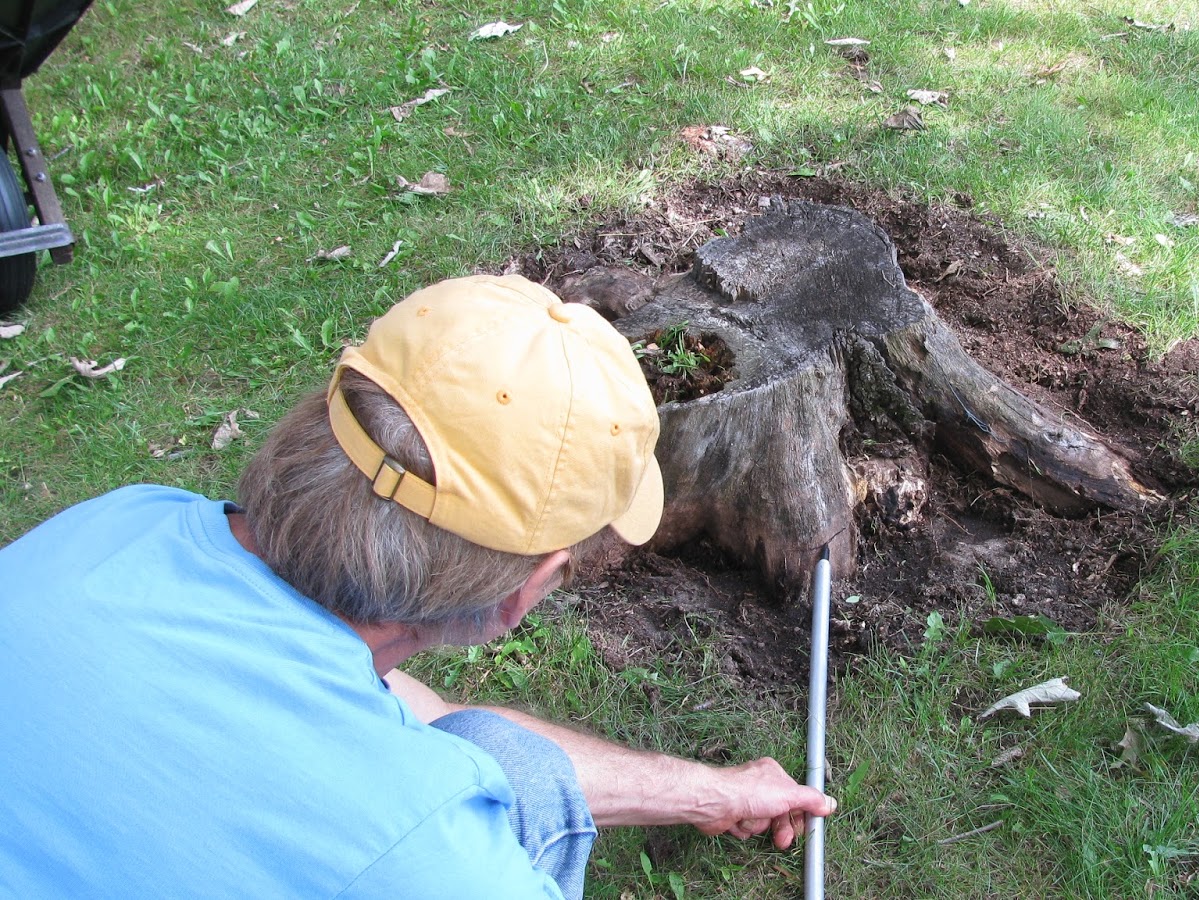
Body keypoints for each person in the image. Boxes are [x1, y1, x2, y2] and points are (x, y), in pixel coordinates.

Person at [0, 274, 834, 898]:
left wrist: (714, 793)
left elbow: (411, 713)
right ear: (524, 590)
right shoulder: (428, 859)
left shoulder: (119, 525)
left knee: (514, 763)